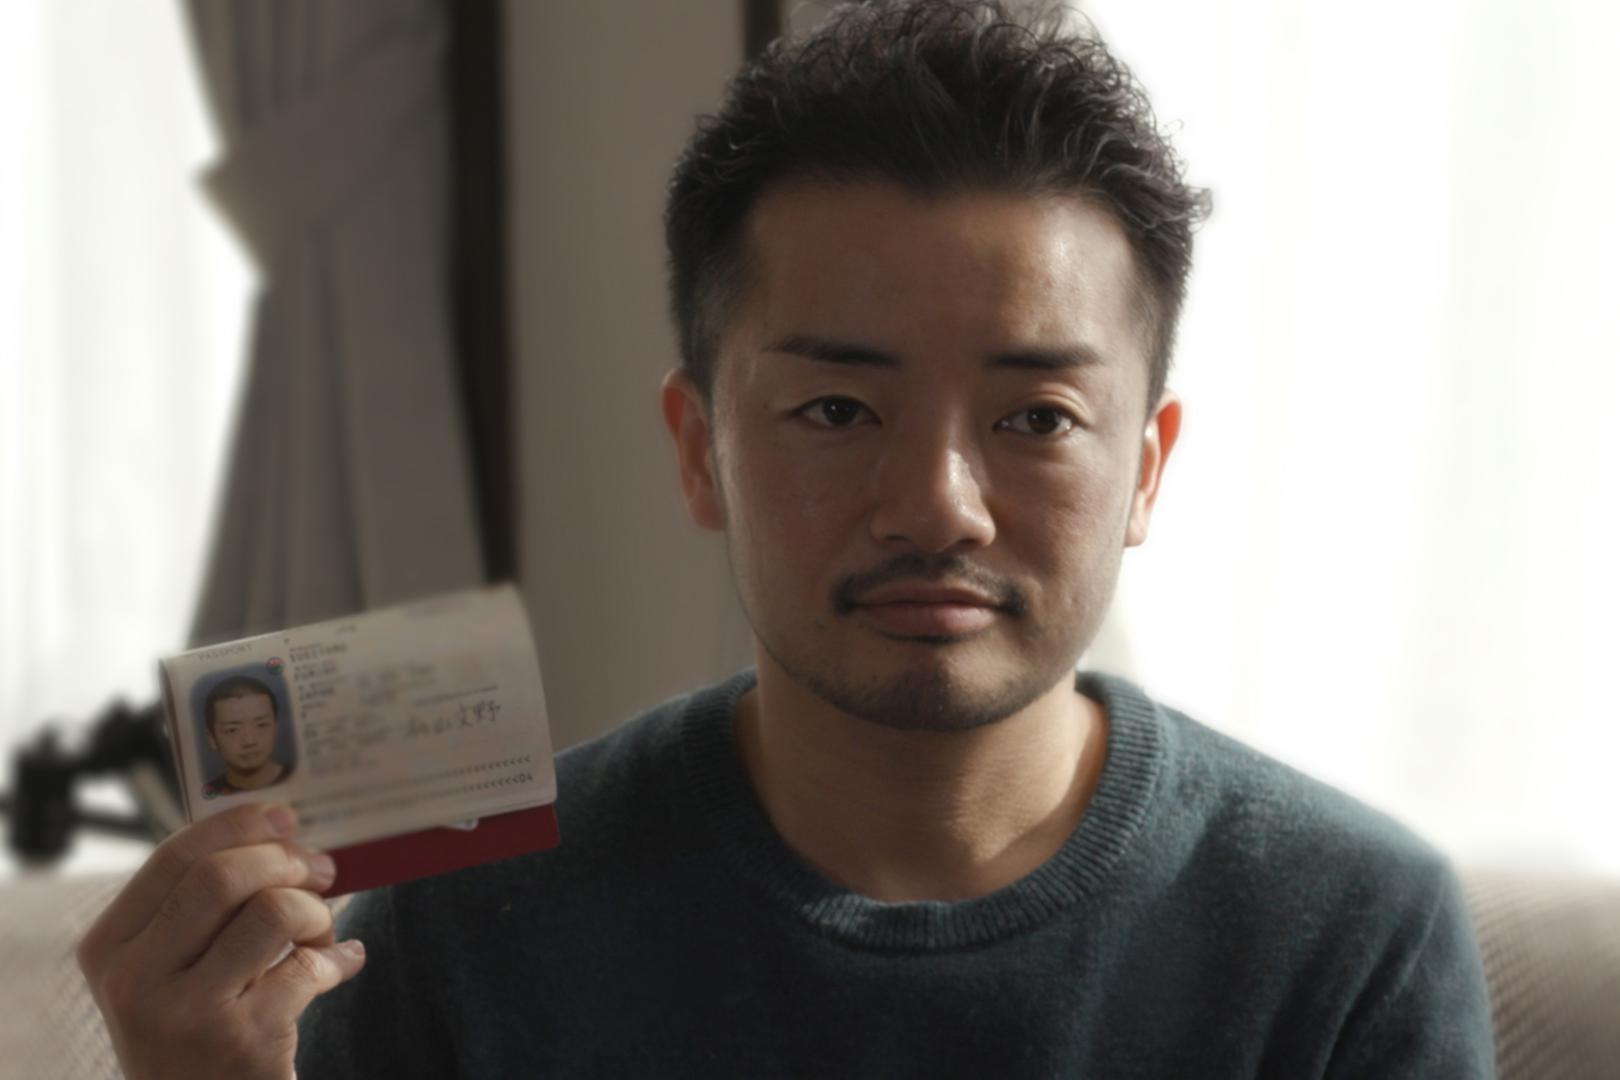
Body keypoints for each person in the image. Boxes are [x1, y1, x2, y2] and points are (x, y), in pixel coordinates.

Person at [77, 2, 1496, 1076]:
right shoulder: (451, 923)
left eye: (1040, 418)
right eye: (834, 406)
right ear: (701, 448)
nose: (939, 504)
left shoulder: (1350, 939)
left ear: (1148, 467)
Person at [199, 674, 293, 798]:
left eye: (261, 724)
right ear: (212, 738)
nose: (249, 741)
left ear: (276, 727)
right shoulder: (209, 793)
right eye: (232, 730)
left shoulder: (300, 775)